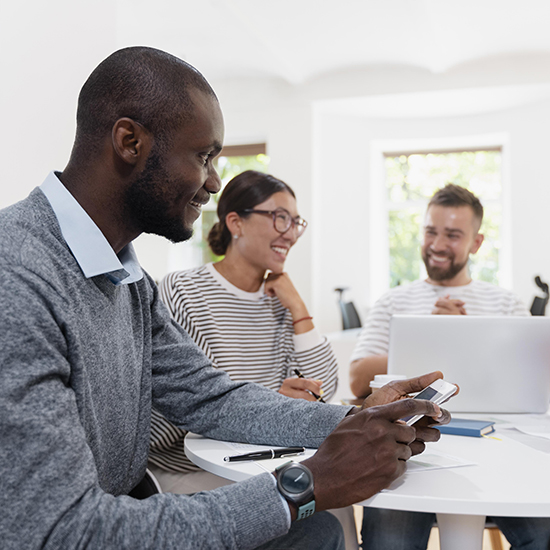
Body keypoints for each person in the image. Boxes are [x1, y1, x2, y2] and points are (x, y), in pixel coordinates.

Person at [0, 46, 448, 550]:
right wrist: (303, 486)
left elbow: (210, 397)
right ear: (129, 141)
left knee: (318, 531)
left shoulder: (128, 281)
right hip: (90, 530)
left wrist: (353, 420)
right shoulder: (17, 277)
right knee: (314, 523)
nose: (214, 182)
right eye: (203, 156)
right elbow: (62, 532)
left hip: (128, 503)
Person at [150, 170, 359, 548]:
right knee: (321, 509)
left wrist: (298, 309)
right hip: (191, 468)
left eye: (296, 222)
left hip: (262, 462)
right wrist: (275, 399)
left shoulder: (280, 305)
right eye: (280, 217)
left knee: (340, 497)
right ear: (235, 223)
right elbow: (191, 404)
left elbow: (324, 390)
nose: (291, 233)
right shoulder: (184, 292)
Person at [350, 184, 550, 549]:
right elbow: (358, 380)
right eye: (431, 231)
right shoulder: (393, 301)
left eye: (453, 235)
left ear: (476, 243)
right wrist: (428, 333)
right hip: (411, 445)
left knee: (543, 534)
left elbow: (535, 381)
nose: (438, 244)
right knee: (389, 542)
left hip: (502, 448)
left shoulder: (506, 304)